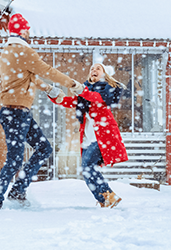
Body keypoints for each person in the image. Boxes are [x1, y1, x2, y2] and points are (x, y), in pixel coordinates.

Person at [0, 13, 83, 210]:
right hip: (16, 113)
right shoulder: (23, 52)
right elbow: (47, 71)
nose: (29, 33)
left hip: (16, 112)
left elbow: (27, 77)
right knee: (14, 160)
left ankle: (18, 190)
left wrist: (48, 89)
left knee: (43, 148)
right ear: (22, 31)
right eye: (27, 29)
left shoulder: (8, 51)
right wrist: (72, 84)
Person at [48, 63, 128, 208]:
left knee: (87, 166)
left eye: (98, 68)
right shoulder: (84, 95)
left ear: (104, 74)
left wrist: (81, 90)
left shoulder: (106, 90)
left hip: (103, 136)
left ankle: (108, 195)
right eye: (92, 69)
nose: (94, 70)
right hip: (88, 139)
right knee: (87, 171)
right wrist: (54, 94)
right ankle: (105, 200)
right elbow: (68, 101)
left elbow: (94, 97)